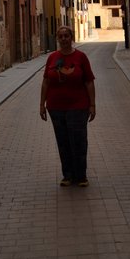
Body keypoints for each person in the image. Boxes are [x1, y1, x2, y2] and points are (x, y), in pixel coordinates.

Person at [40, 25, 96, 187]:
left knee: (78, 140)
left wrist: (92, 104)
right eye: (61, 36)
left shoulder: (81, 57)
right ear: (57, 39)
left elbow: (89, 81)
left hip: (78, 106)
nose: (64, 39)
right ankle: (68, 175)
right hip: (55, 107)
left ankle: (81, 175)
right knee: (63, 141)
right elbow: (45, 82)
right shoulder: (52, 58)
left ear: (71, 38)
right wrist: (41, 104)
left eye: (66, 36)